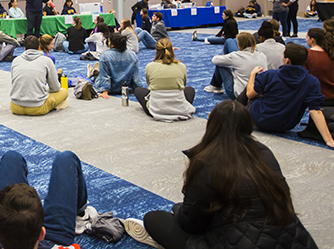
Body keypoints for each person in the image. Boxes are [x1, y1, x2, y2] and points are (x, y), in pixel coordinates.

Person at [132, 100, 318, 249]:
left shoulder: (207, 161)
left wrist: (179, 209)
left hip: (236, 240)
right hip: (292, 237)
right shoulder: (263, 152)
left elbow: (191, 224)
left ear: (211, 125)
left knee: (154, 218)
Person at [0, 150, 90, 249]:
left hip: (5, 239)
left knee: (11, 158)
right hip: (55, 239)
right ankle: (81, 213)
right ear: (42, 233)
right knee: (66, 159)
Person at [239, 43, 334, 151]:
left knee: (251, 87)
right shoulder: (312, 82)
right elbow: (315, 111)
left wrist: (252, 75)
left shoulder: (269, 75)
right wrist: (329, 140)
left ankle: (234, 116)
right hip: (286, 125)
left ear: (287, 60)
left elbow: (249, 94)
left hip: (259, 119)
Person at [132, 39, 195, 121]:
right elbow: (183, 84)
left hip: (156, 109)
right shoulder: (181, 66)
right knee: (190, 90)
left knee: (138, 90)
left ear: (156, 51)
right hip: (179, 106)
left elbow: (149, 85)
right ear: (172, 50)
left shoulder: (150, 66)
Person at [10, 36, 67, 115]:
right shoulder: (47, 60)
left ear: (25, 49)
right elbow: (55, 88)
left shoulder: (16, 60)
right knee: (64, 92)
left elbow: (14, 83)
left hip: (15, 107)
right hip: (37, 108)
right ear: (39, 48)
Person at [204, 33, 267, 100]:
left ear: (239, 44)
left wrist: (225, 57)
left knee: (221, 64)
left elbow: (215, 60)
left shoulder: (236, 56)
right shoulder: (262, 55)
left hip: (240, 95)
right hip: (259, 92)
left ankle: (216, 86)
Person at [304, 28, 334, 106]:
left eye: (307, 37)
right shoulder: (332, 52)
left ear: (312, 40)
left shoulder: (307, 54)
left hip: (319, 94)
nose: (306, 40)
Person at [93, 33, 141, 99]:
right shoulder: (132, 55)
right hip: (127, 88)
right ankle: (95, 72)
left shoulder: (105, 55)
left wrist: (105, 91)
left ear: (112, 45)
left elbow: (105, 76)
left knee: (99, 76)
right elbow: (136, 76)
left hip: (112, 89)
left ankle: (94, 73)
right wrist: (140, 89)